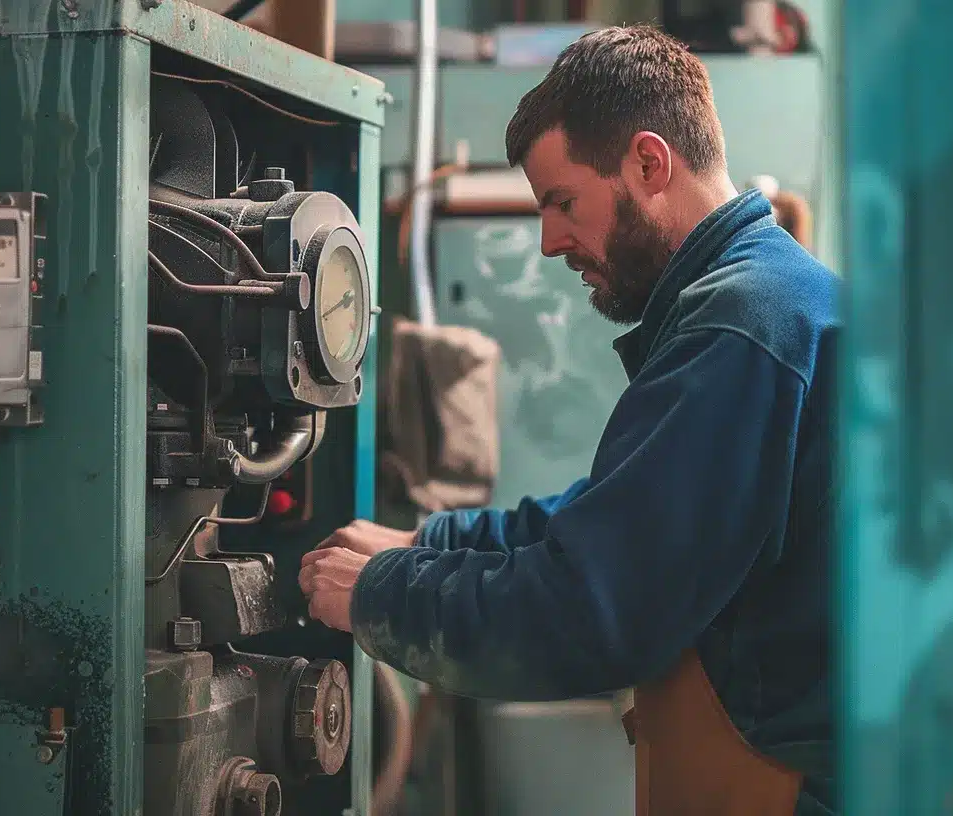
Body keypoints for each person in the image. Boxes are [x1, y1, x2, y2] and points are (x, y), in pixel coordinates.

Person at [299, 24, 839, 814]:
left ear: (649, 164)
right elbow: (609, 520)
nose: (550, 240)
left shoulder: (743, 326)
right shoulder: (763, 298)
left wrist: (383, 597)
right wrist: (427, 543)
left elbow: (591, 610)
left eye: (562, 202)